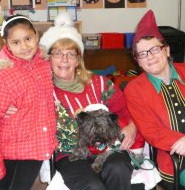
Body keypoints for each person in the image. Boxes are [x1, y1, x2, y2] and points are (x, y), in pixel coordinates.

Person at [39, 12, 144, 190]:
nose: (64, 59)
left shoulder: (99, 83)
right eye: (58, 53)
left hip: (108, 148)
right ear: (49, 58)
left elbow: (128, 109)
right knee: (93, 186)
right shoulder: (41, 91)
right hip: (70, 155)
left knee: (118, 169)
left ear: (78, 60)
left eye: (71, 54)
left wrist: (132, 127)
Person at [0, 15, 57, 190]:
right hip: (5, 152)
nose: (24, 46)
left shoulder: (46, 64)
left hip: (34, 147)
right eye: (16, 42)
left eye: (28, 39)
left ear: (36, 36)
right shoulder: (0, 73)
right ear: (6, 44)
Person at [124, 9, 185, 190]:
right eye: (142, 54)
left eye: (154, 49)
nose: (149, 57)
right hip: (176, 159)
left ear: (166, 50)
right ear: (138, 61)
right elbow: (152, 131)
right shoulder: (134, 90)